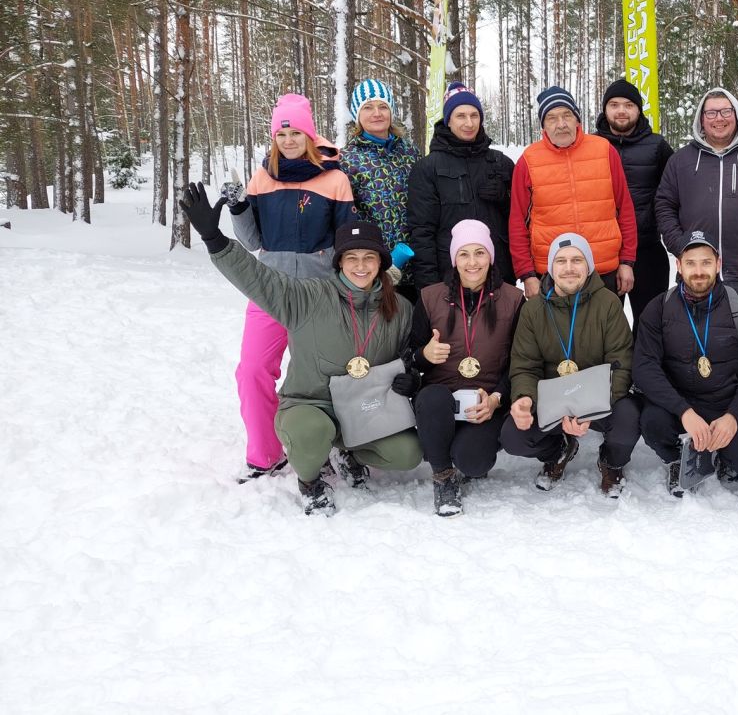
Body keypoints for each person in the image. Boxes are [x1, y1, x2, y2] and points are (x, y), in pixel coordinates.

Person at [182, 186, 422, 517]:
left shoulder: (401, 309)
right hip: (312, 404)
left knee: (408, 453)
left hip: (363, 409)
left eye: (369, 258)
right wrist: (215, 240)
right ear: (339, 263)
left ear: (381, 262)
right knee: (311, 434)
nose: (361, 266)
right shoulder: (308, 297)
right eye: (352, 258)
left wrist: (411, 380)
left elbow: (408, 360)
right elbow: (259, 279)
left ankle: (346, 451)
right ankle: (310, 481)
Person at [224, 93, 358, 482]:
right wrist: (238, 208)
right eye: (281, 133)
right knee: (252, 370)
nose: (288, 139)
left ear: (310, 135)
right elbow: (251, 241)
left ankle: (336, 447)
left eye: (296, 131)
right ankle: (265, 454)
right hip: (270, 290)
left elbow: (345, 243)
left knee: (326, 376)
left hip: (318, 294)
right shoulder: (261, 177)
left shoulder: (335, 179)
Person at [501, 233, 639, 497]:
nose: (569, 268)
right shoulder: (533, 310)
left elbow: (621, 363)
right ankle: (559, 450)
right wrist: (524, 398)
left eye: (577, 260)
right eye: (561, 261)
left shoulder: (608, 303)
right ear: (551, 268)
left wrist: (588, 410)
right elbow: (524, 365)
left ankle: (611, 461)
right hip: (552, 400)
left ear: (588, 265)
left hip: (599, 398)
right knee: (513, 435)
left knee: (629, 418)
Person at [407, 219, 524, 517]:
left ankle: (463, 453)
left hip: (485, 401)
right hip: (440, 399)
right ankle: (443, 476)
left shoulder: (513, 299)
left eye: (480, 253)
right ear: (454, 259)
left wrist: (498, 397)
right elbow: (407, 357)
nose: (472, 262)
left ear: (491, 256)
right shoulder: (430, 297)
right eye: (464, 254)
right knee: (433, 399)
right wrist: (424, 354)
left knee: (473, 461)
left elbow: (522, 361)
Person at [634, 231, 738, 496]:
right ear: (679, 266)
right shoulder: (659, 308)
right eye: (691, 263)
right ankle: (675, 458)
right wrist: (684, 411)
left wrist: (733, 416)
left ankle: (726, 458)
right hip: (679, 404)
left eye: (706, 262)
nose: (699, 271)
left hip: (725, 403)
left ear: (718, 264)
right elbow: (645, 368)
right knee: (652, 422)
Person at [655, 87, 738, 314]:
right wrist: (680, 245)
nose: (719, 118)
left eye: (726, 112)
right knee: (697, 342)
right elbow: (664, 205)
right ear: (701, 119)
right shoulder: (681, 160)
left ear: (736, 115)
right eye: (711, 113)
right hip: (696, 274)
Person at [509, 85, 638, 301]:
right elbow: (517, 222)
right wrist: (527, 274)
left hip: (603, 269)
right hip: (552, 272)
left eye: (567, 115)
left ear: (577, 120)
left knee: (605, 334)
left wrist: (627, 261)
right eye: (552, 118)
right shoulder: (528, 161)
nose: (561, 124)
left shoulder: (604, 150)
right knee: (556, 336)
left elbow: (624, 209)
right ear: (543, 125)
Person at [406, 82, 515, 289]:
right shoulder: (427, 168)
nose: (469, 123)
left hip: (498, 274)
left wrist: (504, 198)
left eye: (474, 115)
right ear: (448, 121)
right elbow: (422, 232)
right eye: (460, 116)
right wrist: (428, 287)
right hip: (449, 276)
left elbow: (520, 220)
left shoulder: (501, 163)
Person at [594, 79, 674, 325]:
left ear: (639, 110)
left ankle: (646, 364)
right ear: (605, 110)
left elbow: (673, 192)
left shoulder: (658, 146)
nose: (621, 110)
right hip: (601, 253)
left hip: (646, 249)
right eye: (614, 104)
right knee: (603, 326)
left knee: (650, 323)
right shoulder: (591, 146)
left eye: (629, 105)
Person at [338, 79, 420, 257]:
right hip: (372, 262)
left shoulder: (410, 153)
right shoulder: (346, 159)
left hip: (415, 259)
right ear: (357, 115)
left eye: (383, 107)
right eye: (368, 107)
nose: (377, 113)